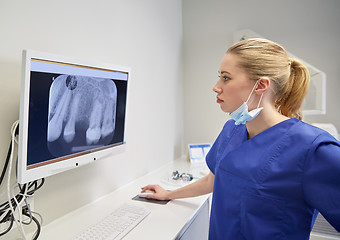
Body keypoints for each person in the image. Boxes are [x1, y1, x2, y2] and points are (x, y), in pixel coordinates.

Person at [141, 38, 340, 239]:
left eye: (226, 78)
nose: (216, 87)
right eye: (219, 76)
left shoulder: (313, 149)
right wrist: (168, 194)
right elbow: (215, 179)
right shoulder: (232, 129)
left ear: (261, 85)